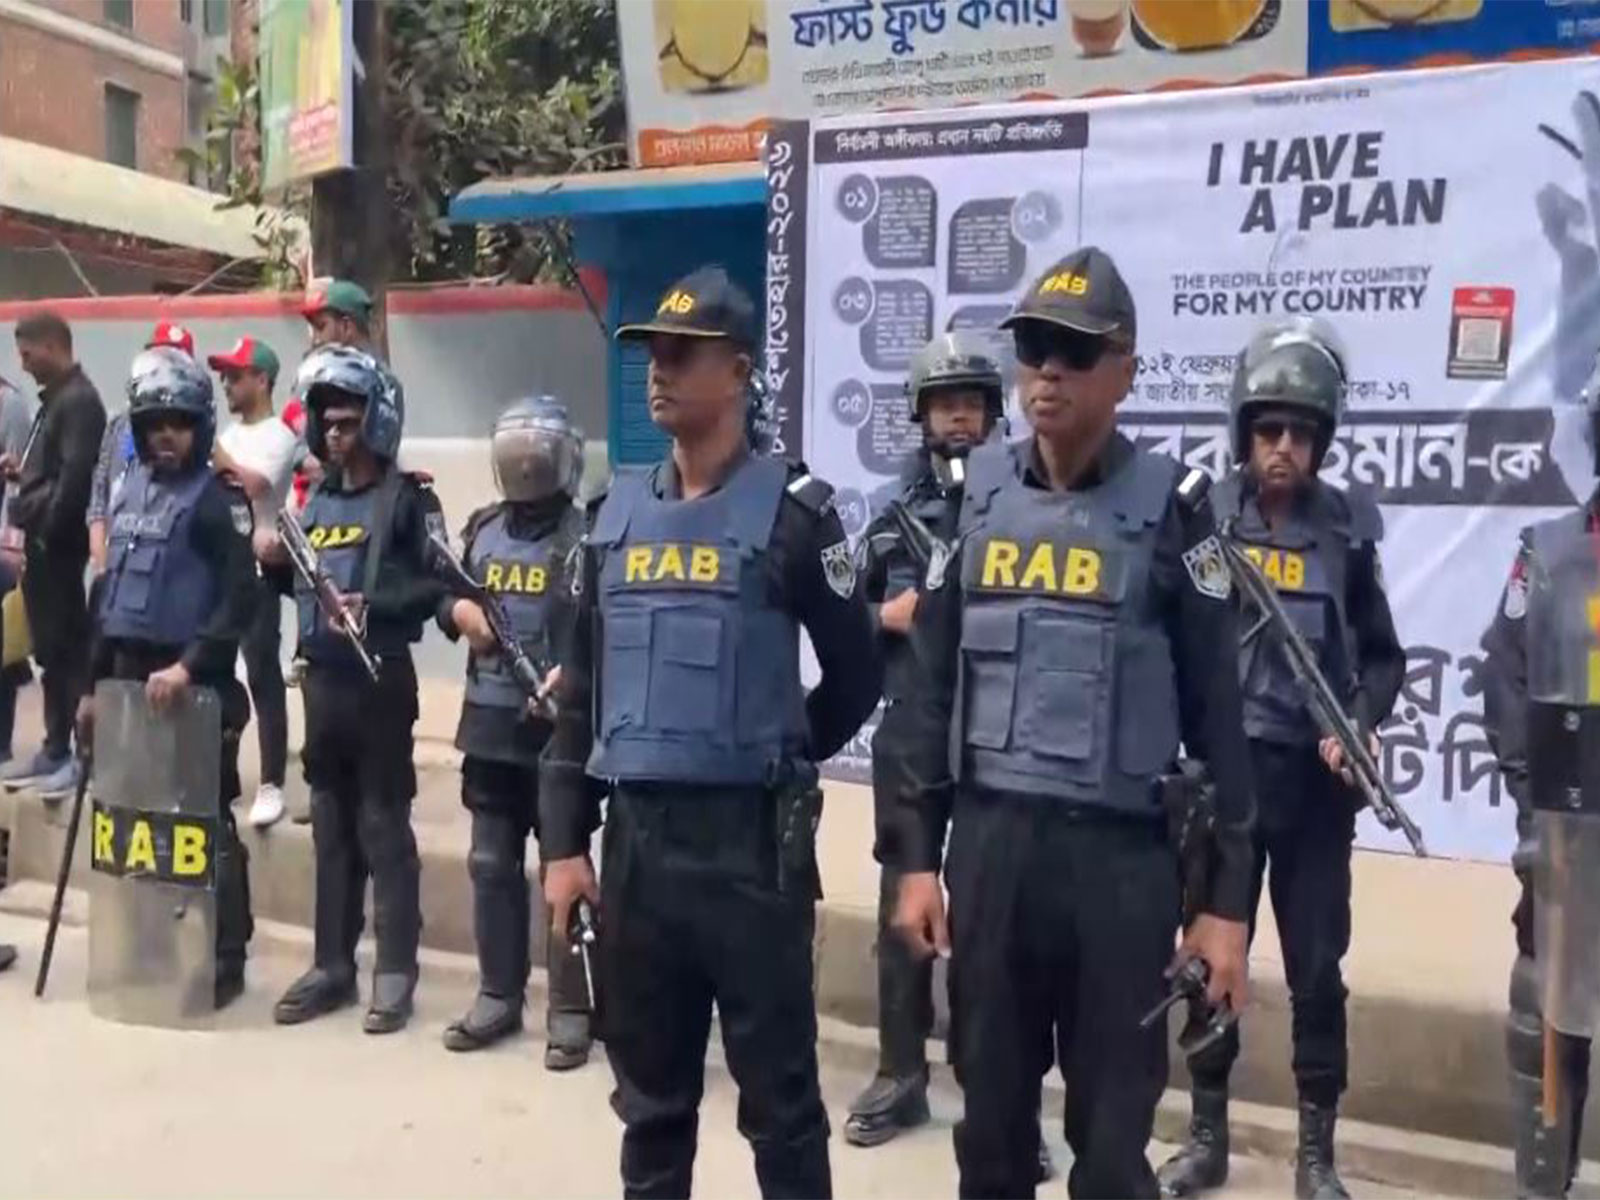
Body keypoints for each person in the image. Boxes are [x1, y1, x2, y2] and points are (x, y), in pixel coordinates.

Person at [888, 247, 1255, 1200]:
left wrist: (1224, 910)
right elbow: (927, 695)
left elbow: (1223, 721)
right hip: (995, 855)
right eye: (1035, 348)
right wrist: (917, 860)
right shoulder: (977, 498)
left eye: (1075, 352)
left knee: (1111, 1142)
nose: (1048, 370)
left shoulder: (1175, 514)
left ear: (1125, 369)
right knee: (993, 1133)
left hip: (1123, 872)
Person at [539, 266, 881, 1199]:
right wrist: (565, 845)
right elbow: (578, 699)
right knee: (650, 1109)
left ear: (736, 372)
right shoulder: (610, 518)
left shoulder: (797, 515)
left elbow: (859, 669)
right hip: (642, 853)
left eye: (681, 355)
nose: (658, 372)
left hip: (751, 861)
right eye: (651, 353)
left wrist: (780, 747)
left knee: (781, 1106)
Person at [1158, 320, 1404, 1200]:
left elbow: (1381, 656)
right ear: (1244, 433)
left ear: (1321, 442)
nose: (1283, 449)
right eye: (1269, 431)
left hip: (1311, 792)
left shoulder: (1346, 533)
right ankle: (1208, 1135)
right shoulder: (1201, 522)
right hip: (1225, 788)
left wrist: (1359, 721)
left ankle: (1315, 1156)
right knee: (1209, 963)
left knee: (1316, 974)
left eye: (1301, 433)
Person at [846, 332, 1006, 1146]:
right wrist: (885, 616)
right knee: (900, 912)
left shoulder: (1019, 503)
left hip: (991, 737)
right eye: (945, 405)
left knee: (985, 919)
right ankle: (900, 1073)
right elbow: (844, 614)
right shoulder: (889, 512)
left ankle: (994, 1097)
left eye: (971, 404)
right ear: (921, 416)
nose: (959, 418)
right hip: (913, 731)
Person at [266, 344, 447, 1035]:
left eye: (347, 421)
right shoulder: (316, 502)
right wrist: (275, 566)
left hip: (380, 683)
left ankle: (394, 971)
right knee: (332, 827)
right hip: (322, 683)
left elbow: (437, 584)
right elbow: (304, 590)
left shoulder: (408, 499)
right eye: (327, 424)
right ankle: (331, 966)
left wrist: (377, 600)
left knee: (381, 825)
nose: (335, 434)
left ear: (377, 420)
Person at [76, 347, 257, 1007]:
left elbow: (241, 598)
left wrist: (187, 666)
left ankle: (224, 958)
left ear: (199, 426)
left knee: (206, 828)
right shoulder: (126, 492)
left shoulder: (217, 501)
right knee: (134, 824)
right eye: (154, 425)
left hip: (194, 682)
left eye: (178, 424)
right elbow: (111, 599)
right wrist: (92, 692)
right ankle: (150, 953)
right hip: (127, 681)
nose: (165, 436)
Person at [438, 396, 593, 1066]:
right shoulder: (481, 528)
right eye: (518, 456)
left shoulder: (589, 538)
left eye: (538, 456)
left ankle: (572, 1008)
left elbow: (605, 627)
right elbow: (443, 591)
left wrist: (573, 677)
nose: (528, 467)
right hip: (491, 726)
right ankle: (498, 995)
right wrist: (459, 613)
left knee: (567, 871)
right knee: (491, 866)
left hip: (560, 734)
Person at [1481, 350, 1600, 1199]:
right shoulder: (1551, 555)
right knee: (1549, 1015)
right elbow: (1509, 676)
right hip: (1569, 829)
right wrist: (1535, 813)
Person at [3, 311, 106, 800]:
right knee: (49, 653)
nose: (22, 365)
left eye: (27, 354)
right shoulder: (56, 403)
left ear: (51, 346)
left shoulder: (80, 402)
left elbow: (74, 485)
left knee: (67, 652)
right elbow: (52, 477)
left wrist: (36, 520)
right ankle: (52, 746)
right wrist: (23, 477)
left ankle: (72, 754)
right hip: (45, 549)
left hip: (58, 549)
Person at [208, 336, 299, 829]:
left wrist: (210, 448)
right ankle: (223, 778)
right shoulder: (228, 432)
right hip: (220, 568)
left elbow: (255, 485)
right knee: (218, 673)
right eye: (224, 376)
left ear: (261, 380)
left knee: (263, 669)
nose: (227, 384)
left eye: (236, 375)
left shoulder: (278, 437)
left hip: (260, 568)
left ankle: (272, 781)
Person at [88, 324, 191, 576]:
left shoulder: (191, 426)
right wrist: (100, 559)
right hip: (114, 554)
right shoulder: (119, 423)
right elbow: (100, 492)